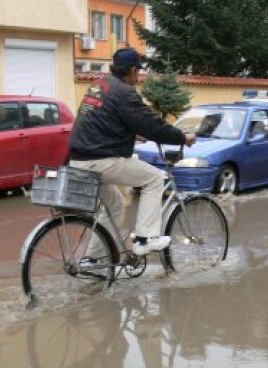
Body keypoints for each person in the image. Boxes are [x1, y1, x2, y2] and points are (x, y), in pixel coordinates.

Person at [68, 47, 195, 259]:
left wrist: (131, 135)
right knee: (155, 178)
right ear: (132, 70)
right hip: (100, 161)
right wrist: (182, 138)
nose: (138, 78)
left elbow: (100, 121)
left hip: (79, 159)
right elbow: (151, 124)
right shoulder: (124, 92)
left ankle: (93, 260)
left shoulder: (99, 85)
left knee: (115, 205)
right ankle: (146, 239)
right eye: (138, 72)